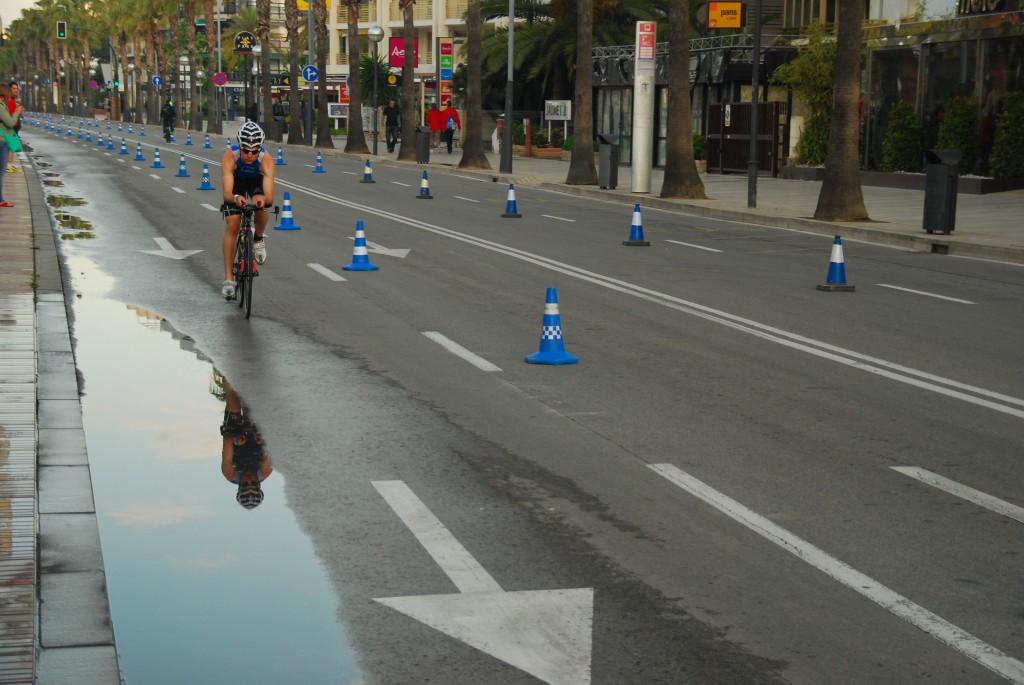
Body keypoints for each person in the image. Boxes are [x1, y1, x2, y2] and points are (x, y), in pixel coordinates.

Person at [219, 121, 274, 300]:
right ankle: (229, 279)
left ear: (260, 149)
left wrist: (262, 199)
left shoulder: (266, 160)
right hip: (236, 183)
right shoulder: (229, 157)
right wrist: (235, 198)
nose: (250, 155)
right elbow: (227, 193)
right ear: (240, 147)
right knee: (233, 225)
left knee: (262, 207)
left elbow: (270, 198)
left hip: (256, 182)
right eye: (246, 150)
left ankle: (258, 239)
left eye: (254, 151)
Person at [219, 376, 273, 509]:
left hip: (233, 435)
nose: (250, 479)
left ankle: (226, 367)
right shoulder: (264, 471)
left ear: (239, 486)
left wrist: (236, 439)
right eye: (254, 483)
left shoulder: (229, 473)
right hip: (256, 437)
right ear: (259, 484)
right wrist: (264, 440)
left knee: (233, 401)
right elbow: (274, 445)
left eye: (245, 484)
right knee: (256, 399)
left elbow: (226, 440)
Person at [0, 83, 24, 208]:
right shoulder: (1, 106)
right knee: (1, 172)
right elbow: (9, 123)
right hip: (2, 140)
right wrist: (16, 112)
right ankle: (0, 199)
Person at [6, 82, 21, 173]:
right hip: (11, 125)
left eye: (17, 88)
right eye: (13, 88)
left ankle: (9, 164)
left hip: (14, 125)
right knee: (11, 146)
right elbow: (9, 115)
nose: (16, 90)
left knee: (11, 146)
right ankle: (8, 165)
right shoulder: (10, 101)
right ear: (9, 89)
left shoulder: (13, 100)